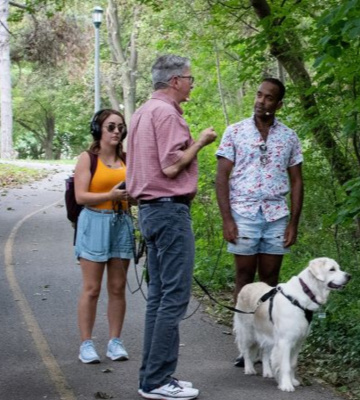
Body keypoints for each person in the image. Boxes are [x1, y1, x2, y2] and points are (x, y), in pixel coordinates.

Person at [126, 55, 217, 400]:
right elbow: (171, 167)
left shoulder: (142, 112)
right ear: (176, 80)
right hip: (168, 212)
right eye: (190, 79)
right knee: (173, 297)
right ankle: (158, 380)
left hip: (150, 213)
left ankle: (152, 377)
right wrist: (202, 142)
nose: (193, 84)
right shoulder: (167, 115)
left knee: (160, 297)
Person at [215, 78, 304, 365]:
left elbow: (297, 181)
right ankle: (244, 347)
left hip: (276, 215)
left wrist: (294, 223)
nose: (260, 101)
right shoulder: (235, 132)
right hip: (244, 214)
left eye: (268, 98)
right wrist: (227, 219)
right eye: (258, 95)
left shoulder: (289, 137)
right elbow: (221, 178)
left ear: (278, 104)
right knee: (243, 280)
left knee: (270, 282)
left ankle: (266, 343)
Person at [74, 109, 134, 364]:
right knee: (92, 288)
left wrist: (132, 197)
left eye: (120, 127)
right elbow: (81, 197)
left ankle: (115, 341)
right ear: (98, 129)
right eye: (111, 127)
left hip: (122, 223)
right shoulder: (87, 159)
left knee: (118, 287)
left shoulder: (127, 160)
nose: (117, 131)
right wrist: (109, 196)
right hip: (94, 222)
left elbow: (138, 192)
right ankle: (86, 343)